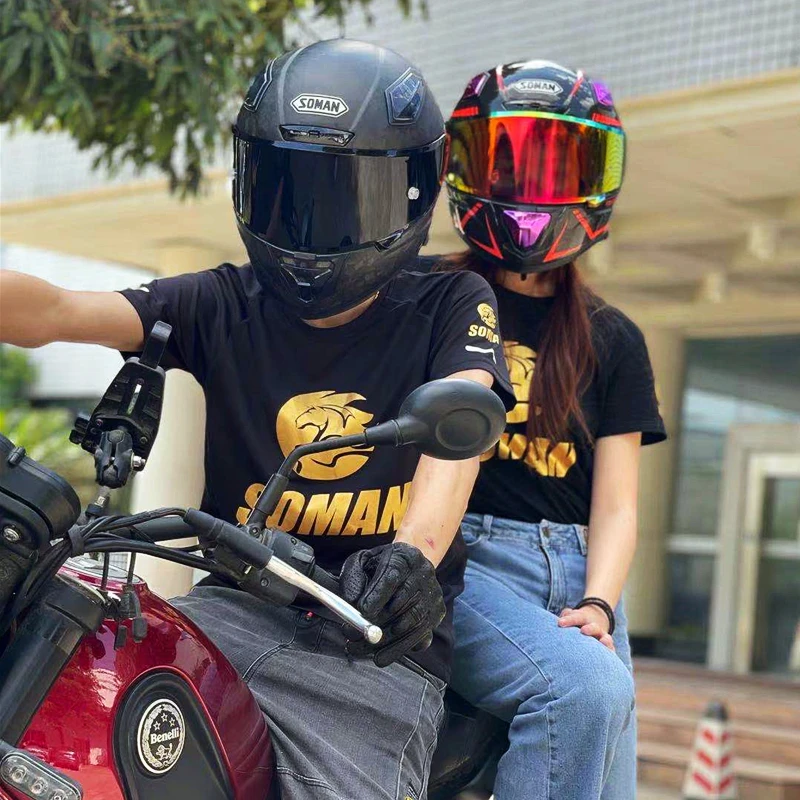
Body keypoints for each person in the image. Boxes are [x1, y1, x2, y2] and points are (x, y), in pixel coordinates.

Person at [0, 40, 513, 800]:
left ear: (415, 194)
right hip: (228, 612)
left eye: (346, 201)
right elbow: (57, 311)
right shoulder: (220, 302)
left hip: (371, 647)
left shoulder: (450, 302)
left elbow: (460, 421)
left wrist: (413, 555)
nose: (309, 229)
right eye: (286, 194)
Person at [439, 61, 667, 799]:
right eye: (508, 163)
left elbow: (617, 506)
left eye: (556, 167)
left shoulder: (613, 338)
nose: (530, 188)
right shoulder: (429, 296)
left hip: (580, 570)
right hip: (464, 556)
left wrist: (599, 602)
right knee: (585, 695)